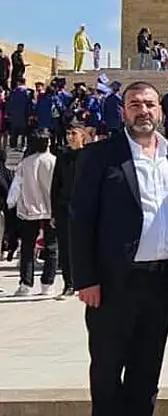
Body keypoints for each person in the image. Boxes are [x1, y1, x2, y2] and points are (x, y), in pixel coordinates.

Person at [70, 81, 168, 416]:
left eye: (150, 104)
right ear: (123, 111)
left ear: (162, 111)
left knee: (147, 365)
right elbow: (80, 221)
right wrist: (84, 279)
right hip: (111, 282)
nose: (143, 111)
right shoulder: (99, 156)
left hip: (161, 280)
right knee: (108, 366)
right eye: (135, 104)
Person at [7, 130, 57, 297]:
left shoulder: (25, 163)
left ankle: (26, 284)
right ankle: (47, 283)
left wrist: (11, 202)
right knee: (51, 248)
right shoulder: (54, 162)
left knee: (27, 248)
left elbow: (16, 186)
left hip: (29, 210)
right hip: (50, 210)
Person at [50, 119, 91, 298]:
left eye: (73, 133)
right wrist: (53, 211)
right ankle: (69, 283)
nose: (69, 137)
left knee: (86, 246)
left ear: (82, 135)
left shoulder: (90, 156)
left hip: (85, 209)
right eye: (68, 134)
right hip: (64, 208)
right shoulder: (63, 157)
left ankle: (87, 281)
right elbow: (55, 185)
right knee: (65, 248)